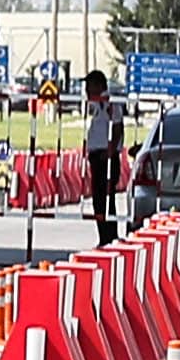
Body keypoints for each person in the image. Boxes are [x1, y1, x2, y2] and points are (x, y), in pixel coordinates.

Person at [81, 70, 126, 242]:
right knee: (99, 200)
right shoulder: (96, 105)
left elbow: (117, 127)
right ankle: (104, 237)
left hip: (105, 157)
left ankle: (110, 236)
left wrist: (110, 150)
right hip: (97, 156)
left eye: (89, 85)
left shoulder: (109, 104)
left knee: (106, 199)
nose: (87, 89)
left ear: (99, 85)